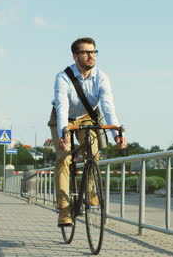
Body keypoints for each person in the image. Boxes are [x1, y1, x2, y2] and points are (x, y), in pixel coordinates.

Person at [48, 37, 127, 227]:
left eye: (93, 52)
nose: (91, 56)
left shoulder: (101, 77)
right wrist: (63, 136)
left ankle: (90, 190)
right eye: (86, 52)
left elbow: (108, 108)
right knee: (64, 159)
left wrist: (117, 134)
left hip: (86, 117)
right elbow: (62, 107)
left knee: (93, 153)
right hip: (63, 118)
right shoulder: (63, 77)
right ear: (75, 56)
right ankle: (64, 209)